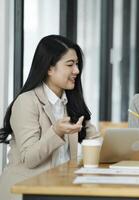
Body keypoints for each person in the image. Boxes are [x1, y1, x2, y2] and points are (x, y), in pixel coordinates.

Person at [0, 35, 98, 200]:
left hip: (60, 190)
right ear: (49, 68)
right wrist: (56, 132)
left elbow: (96, 140)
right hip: (26, 192)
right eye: (70, 65)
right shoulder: (26, 102)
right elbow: (29, 158)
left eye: (77, 64)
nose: (77, 71)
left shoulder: (72, 103)